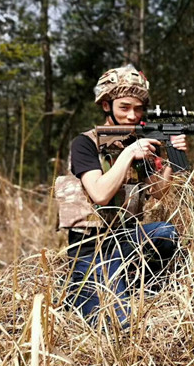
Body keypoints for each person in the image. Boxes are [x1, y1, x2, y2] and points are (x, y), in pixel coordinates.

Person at [60, 64, 187, 327]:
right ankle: (84, 291)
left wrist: (171, 155)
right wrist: (129, 153)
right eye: (124, 107)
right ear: (107, 106)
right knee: (117, 324)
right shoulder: (85, 143)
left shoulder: (136, 142)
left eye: (138, 109)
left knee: (165, 232)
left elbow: (158, 192)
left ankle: (143, 287)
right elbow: (100, 194)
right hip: (90, 247)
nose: (132, 116)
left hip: (125, 238)